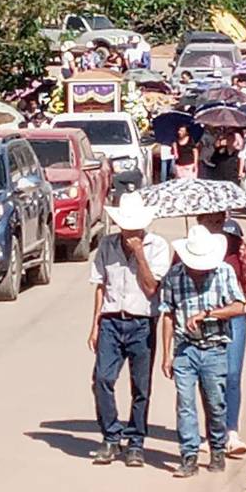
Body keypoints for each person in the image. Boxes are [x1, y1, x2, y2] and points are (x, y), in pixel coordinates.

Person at [88, 192, 171, 467]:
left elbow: (151, 288)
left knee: (141, 386)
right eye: (126, 225)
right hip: (111, 320)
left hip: (142, 322)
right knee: (102, 379)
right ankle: (111, 436)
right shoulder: (108, 246)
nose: (129, 231)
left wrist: (139, 254)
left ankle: (136, 442)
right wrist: (95, 324)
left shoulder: (157, 246)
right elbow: (100, 285)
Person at [160, 225, 246, 478]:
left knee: (215, 403)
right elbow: (168, 314)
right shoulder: (174, 276)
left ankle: (217, 447)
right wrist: (167, 355)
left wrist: (208, 315)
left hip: (214, 348)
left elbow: (239, 306)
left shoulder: (224, 273)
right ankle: (188, 455)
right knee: (185, 403)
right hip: (185, 349)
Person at [196, 211, 246, 456]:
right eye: (210, 220)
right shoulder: (190, 247)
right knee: (210, 377)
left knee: (232, 374)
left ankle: (232, 431)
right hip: (205, 319)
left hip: (234, 317)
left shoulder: (236, 246)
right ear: (199, 221)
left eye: (219, 220)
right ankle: (213, 432)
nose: (215, 224)